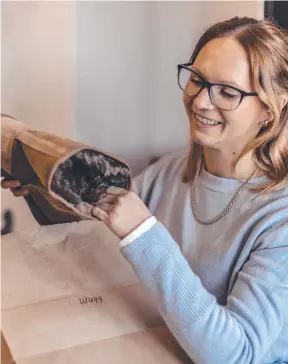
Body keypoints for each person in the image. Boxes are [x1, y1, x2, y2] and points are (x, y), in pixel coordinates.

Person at [2, 17, 288, 364]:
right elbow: (101, 251)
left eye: (227, 92)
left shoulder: (279, 219)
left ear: (269, 113)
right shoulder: (171, 172)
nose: (200, 102)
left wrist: (143, 232)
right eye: (197, 80)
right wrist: (42, 194)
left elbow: (235, 355)